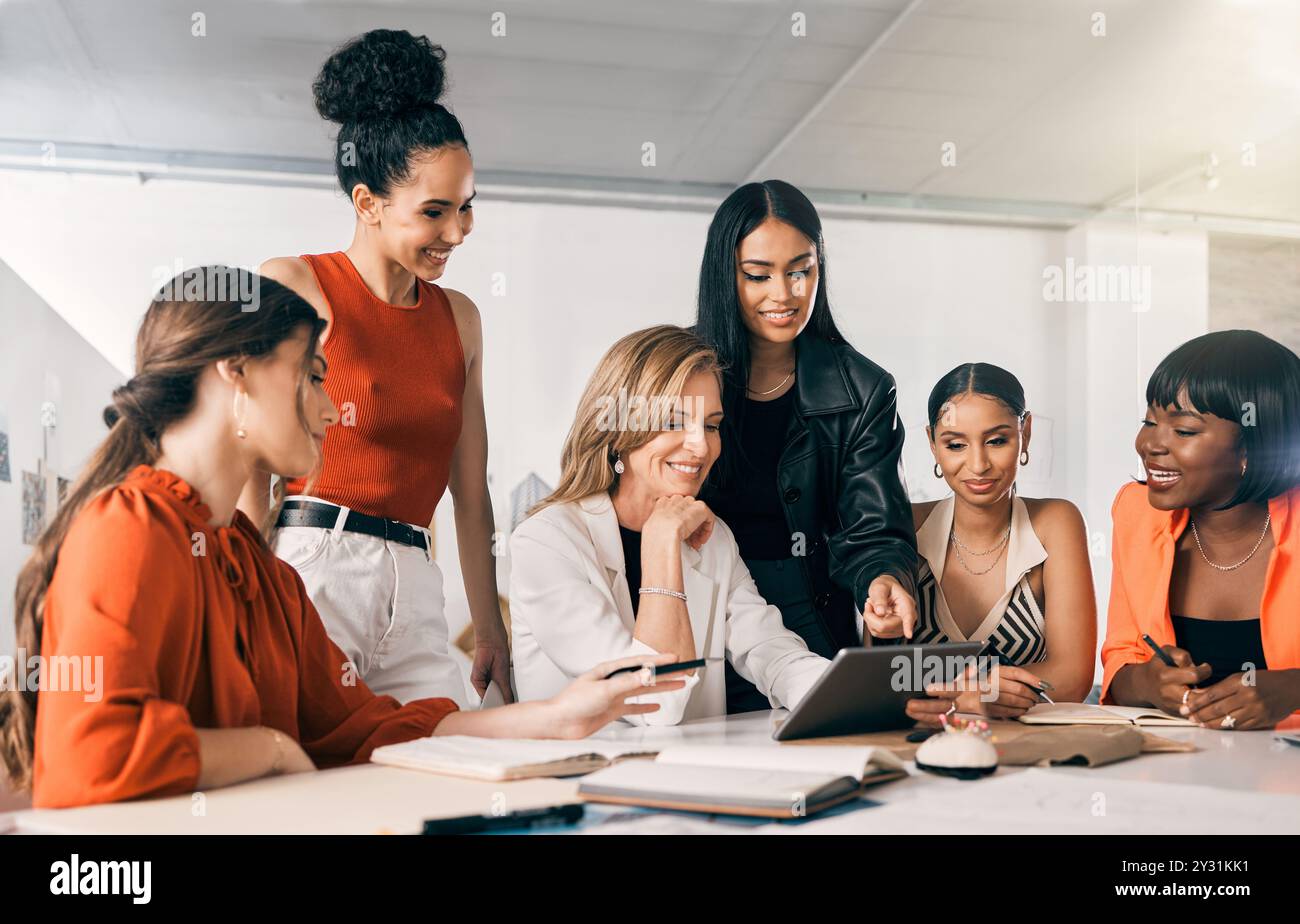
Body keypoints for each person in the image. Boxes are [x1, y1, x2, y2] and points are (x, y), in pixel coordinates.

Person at [0, 270, 683, 808]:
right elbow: (91, 760)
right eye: (313, 375)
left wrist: (560, 717)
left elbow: (367, 725)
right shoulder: (127, 527)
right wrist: (269, 748)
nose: (331, 409)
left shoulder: (263, 574)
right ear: (234, 372)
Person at [244, 29, 508, 706]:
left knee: (442, 753)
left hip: (417, 578)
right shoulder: (296, 284)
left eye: (467, 207)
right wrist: (241, 595)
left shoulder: (462, 320)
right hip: (315, 567)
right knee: (314, 773)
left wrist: (490, 630)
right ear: (368, 204)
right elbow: (249, 459)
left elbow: (470, 495)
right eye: (434, 212)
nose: (456, 233)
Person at [509, 326, 830, 725]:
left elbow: (770, 651)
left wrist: (855, 698)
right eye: (674, 422)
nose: (700, 446)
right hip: (576, 779)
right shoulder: (545, 543)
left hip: (679, 777)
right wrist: (660, 543)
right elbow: (652, 702)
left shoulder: (714, 539)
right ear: (618, 431)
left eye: (711, 425)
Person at [693, 180, 919, 713]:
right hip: (697, 619)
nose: (785, 293)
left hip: (808, 627)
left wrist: (882, 578)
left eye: (801, 270)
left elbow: (874, 530)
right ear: (726, 277)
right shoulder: (678, 374)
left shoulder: (863, 389)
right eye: (758, 275)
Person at [1102, 330, 1300, 730]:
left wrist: (1294, 687)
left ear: (1251, 447)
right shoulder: (1137, 513)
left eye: (1184, 431)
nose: (1150, 445)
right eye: (1149, 421)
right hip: (1180, 775)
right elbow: (1120, 661)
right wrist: (1147, 681)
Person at [905, 363, 1096, 725]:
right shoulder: (907, 525)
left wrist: (981, 695)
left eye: (996, 440)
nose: (978, 465)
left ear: (1025, 432)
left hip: (1029, 754)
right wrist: (971, 697)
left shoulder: (1056, 523)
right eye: (955, 444)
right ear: (932, 443)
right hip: (917, 746)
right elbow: (877, 671)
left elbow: (1072, 678)